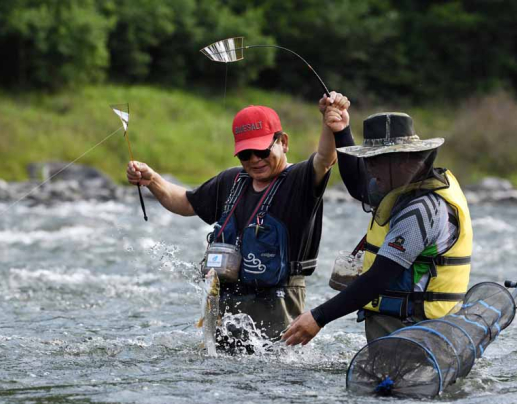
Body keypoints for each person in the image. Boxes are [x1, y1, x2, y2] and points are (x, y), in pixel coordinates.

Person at [126, 93, 351, 346]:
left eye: (262, 149)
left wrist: (329, 123)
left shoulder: (299, 181)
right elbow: (186, 202)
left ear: (283, 142)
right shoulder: (231, 180)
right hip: (226, 307)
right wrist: (152, 179)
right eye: (246, 153)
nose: (255, 159)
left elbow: (325, 159)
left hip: (279, 304)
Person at [283, 111, 473, 345]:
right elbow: (359, 185)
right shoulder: (403, 183)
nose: (369, 168)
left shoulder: (421, 210)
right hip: (404, 329)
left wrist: (318, 317)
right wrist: (341, 130)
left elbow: (379, 278)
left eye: (374, 160)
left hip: (418, 333)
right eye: (367, 159)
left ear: (403, 159)